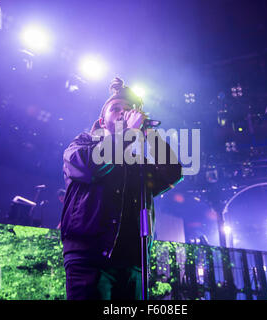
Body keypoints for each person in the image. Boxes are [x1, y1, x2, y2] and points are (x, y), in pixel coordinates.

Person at [60, 77, 182, 300]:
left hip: (132, 260)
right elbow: (93, 166)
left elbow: (171, 173)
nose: (123, 113)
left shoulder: (136, 162)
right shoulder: (81, 146)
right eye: (116, 108)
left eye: (128, 109)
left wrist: (149, 134)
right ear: (101, 121)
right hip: (89, 257)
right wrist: (128, 132)